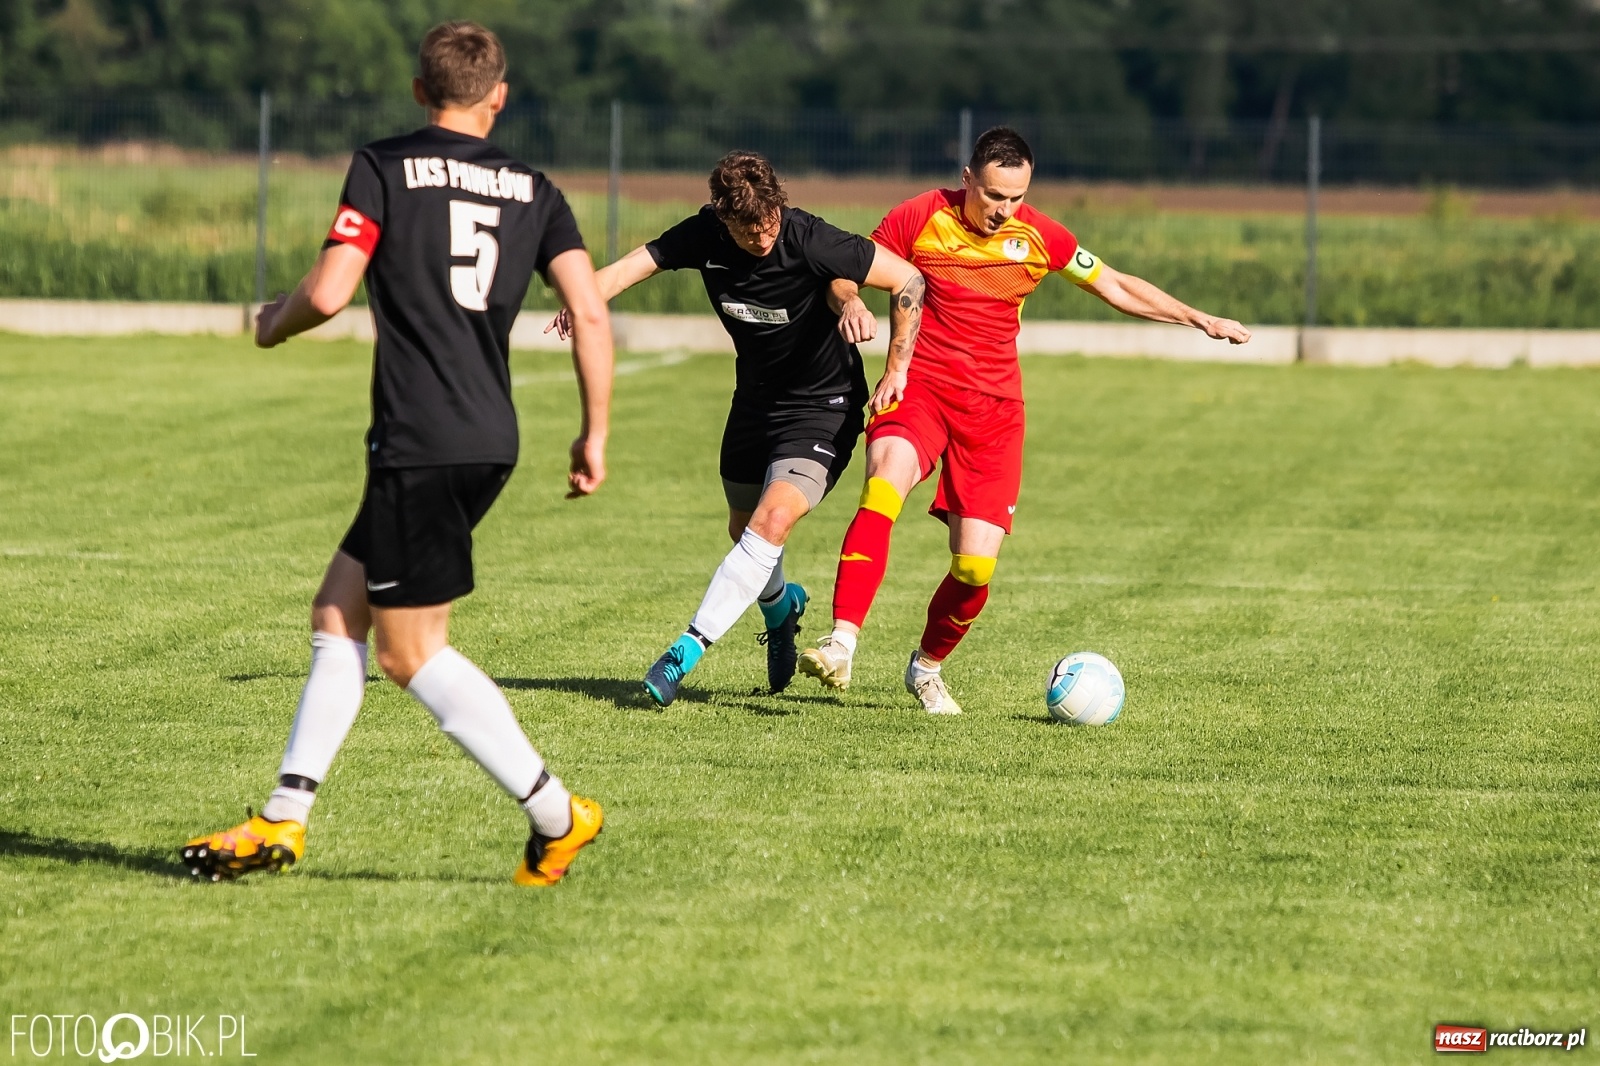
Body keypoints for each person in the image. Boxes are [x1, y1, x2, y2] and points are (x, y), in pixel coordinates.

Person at [180, 21, 614, 885]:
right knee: (338, 614)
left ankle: (558, 816)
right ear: (498, 96)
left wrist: (273, 321)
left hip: (421, 438)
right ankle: (282, 821)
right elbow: (590, 311)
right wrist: (594, 430)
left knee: (409, 654)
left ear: (420, 91)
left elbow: (334, 290)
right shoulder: (537, 190)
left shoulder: (382, 165)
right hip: (489, 435)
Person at [799, 127, 1251, 714]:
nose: (1002, 210)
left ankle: (927, 667)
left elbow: (1113, 284)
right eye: (992, 196)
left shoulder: (1040, 235)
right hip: (920, 389)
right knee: (883, 484)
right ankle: (842, 641)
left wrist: (1199, 318)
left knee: (974, 566)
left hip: (993, 414)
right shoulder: (919, 216)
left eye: (1015, 198)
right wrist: (851, 299)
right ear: (968, 179)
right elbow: (845, 265)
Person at [549, 151, 923, 707]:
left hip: (824, 407)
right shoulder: (704, 236)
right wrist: (581, 301)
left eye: (770, 222)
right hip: (754, 406)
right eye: (750, 230)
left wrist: (895, 368)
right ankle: (781, 609)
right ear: (722, 218)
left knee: (772, 521)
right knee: (743, 528)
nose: (764, 237)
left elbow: (906, 277)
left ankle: (684, 653)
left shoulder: (808, 237)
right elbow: (633, 266)